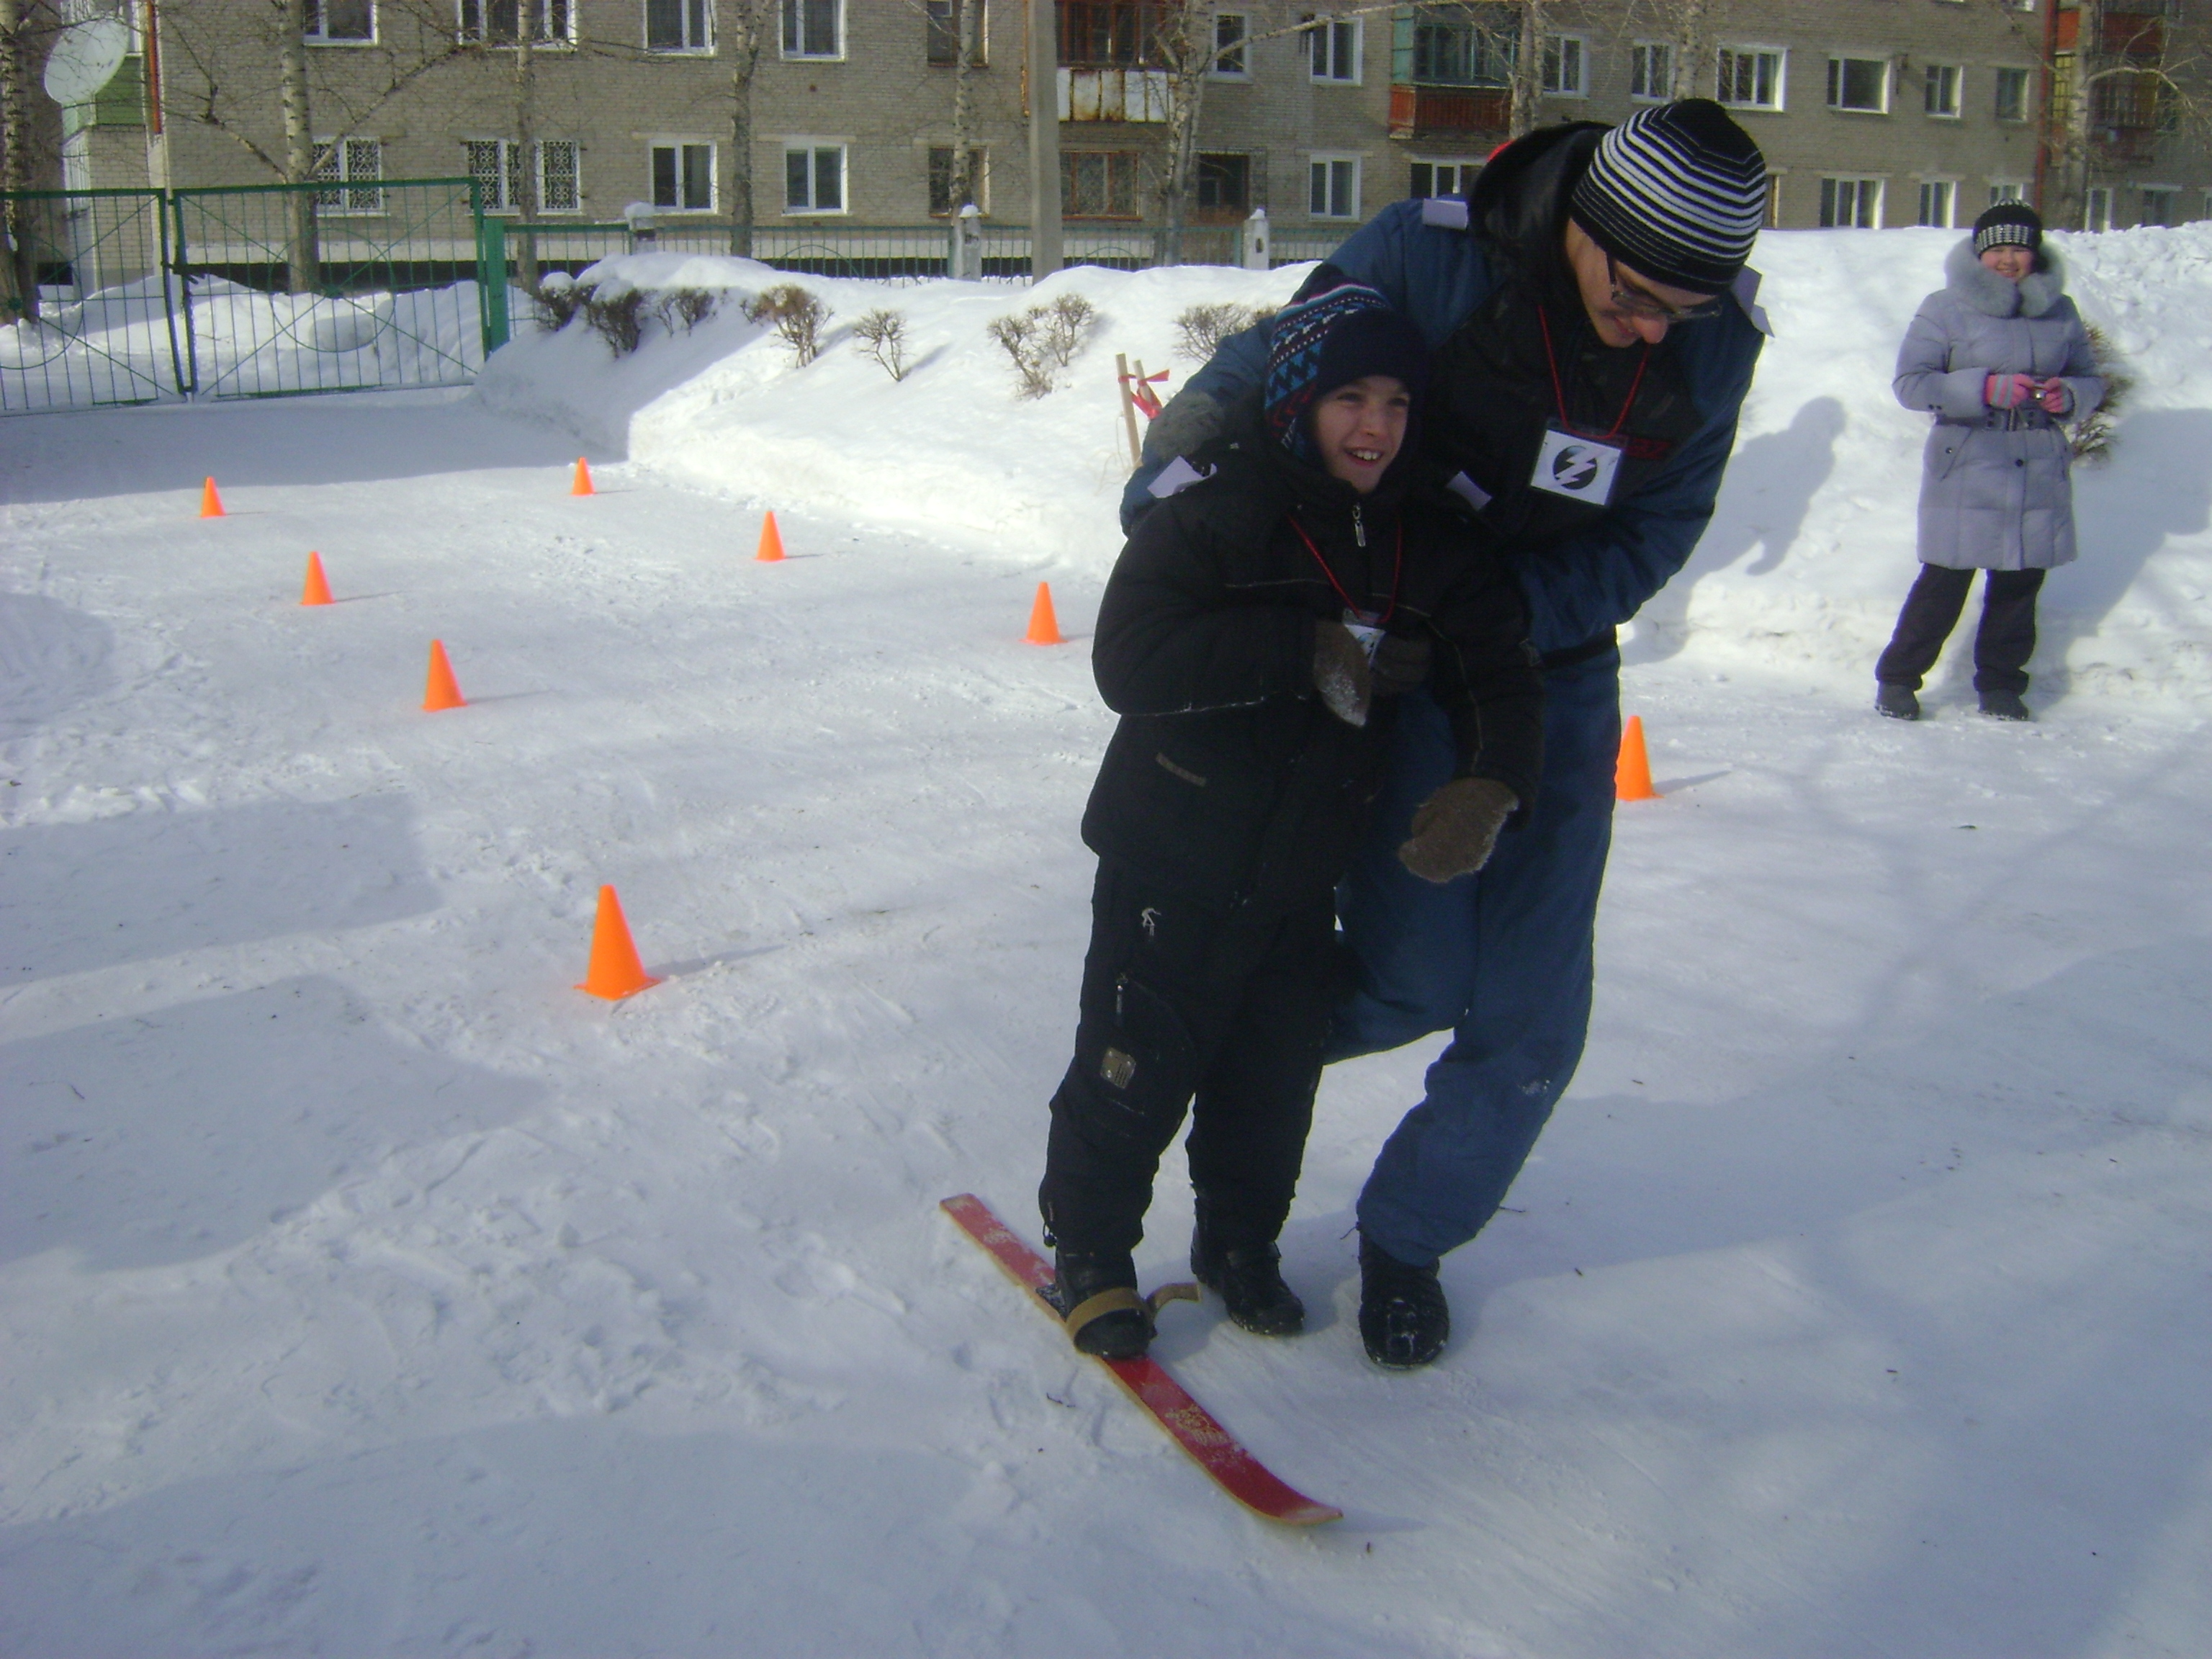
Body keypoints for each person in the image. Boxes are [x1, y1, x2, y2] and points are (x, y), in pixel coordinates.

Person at [1124, 101, 1771, 1368]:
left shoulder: (1707, 341)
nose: (1650, 324)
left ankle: (1408, 1238)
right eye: (1634, 290)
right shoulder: (1431, 254)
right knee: (1414, 971)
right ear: (1583, 223)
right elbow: (1260, 378)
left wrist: (1491, 621)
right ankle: (1207, 1043)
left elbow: (1657, 531)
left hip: (1549, 664)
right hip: (1390, 649)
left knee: (1533, 1012)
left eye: (1681, 307)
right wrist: (1173, 502)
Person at [1038, 286, 1547, 1361]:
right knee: (1138, 1064)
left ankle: (1238, 1246)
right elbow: (1127, 662)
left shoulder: (1425, 536)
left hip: (1307, 870)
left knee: (1270, 1089)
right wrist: (1305, 649)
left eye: (1398, 403)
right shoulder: (1218, 509)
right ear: (1296, 400)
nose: (1375, 426)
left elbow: (1499, 669)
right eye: (1348, 397)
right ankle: (1089, 1251)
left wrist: (1492, 782)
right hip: (1173, 853)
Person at [1875, 202, 2103, 722]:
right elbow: (1912, 384)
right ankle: (1898, 679)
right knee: (1944, 584)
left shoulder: (2060, 310)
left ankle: (2001, 685)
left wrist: (2067, 395)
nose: (2008, 259)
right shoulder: (1944, 307)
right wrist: (1983, 388)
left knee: (2019, 587)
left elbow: (2091, 379)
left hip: (2038, 467)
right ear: (1980, 254)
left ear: (2034, 253)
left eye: (2018, 248)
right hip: (1969, 466)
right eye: (1997, 248)